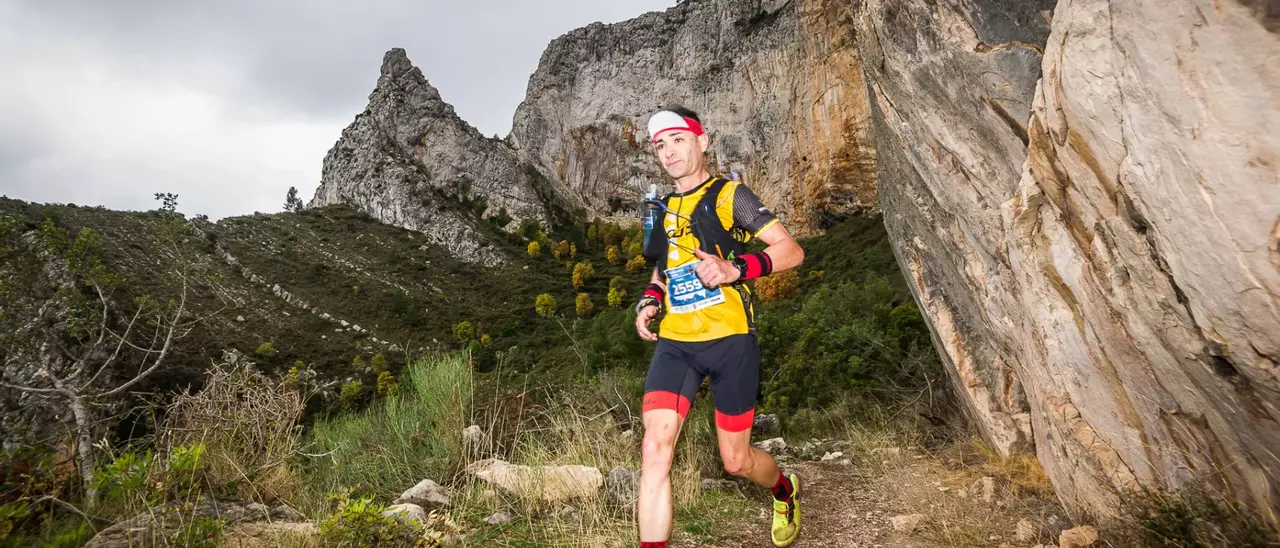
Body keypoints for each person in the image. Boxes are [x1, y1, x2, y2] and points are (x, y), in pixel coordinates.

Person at [633, 106, 805, 548]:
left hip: (730, 342)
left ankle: (784, 491)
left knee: (737, 461)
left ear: (701, 141)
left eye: (677, 140)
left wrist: (735, 269)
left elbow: (791, 251)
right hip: (677, 344)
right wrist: (651, 300)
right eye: (660, 145)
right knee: (655, 451)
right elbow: (663, 267)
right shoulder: (662, 206)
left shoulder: (731, 196)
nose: (668, 152)